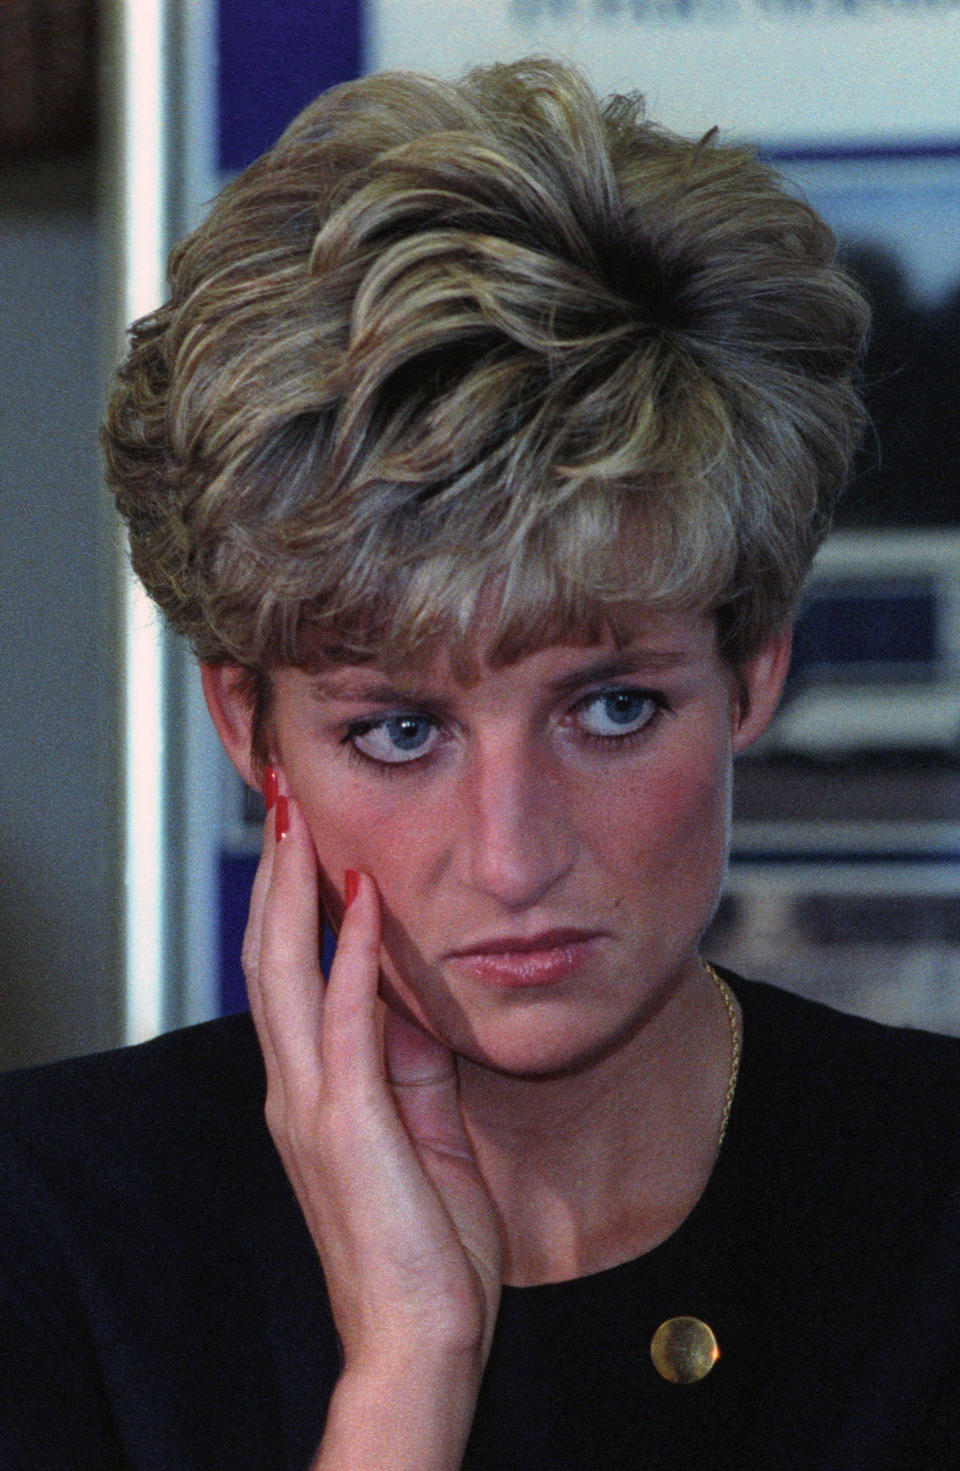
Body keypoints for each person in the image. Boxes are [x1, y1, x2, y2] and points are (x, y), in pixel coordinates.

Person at [2, 55, 960, 1471]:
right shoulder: (51, 1232)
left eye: (612, 709)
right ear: (245, 728)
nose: (513, 854)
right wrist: (406, 1369)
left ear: (754, 668)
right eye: (400, 732)